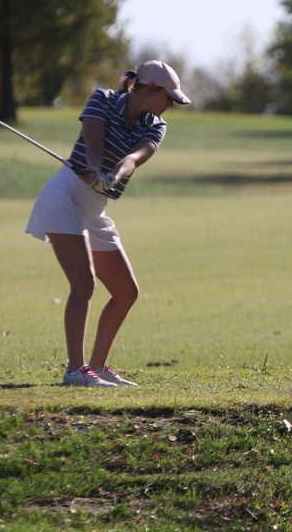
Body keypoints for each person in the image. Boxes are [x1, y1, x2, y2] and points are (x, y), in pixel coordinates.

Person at [25, 60, 191, 387]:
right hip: (65, 197)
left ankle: (97, 367)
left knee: (126, 291)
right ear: (150, 89)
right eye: (168, 97)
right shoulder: (102, 99)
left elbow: (134, 158)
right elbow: (94, 145)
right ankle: (75, 370)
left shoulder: (155, 125)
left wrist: (110, 178)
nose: (170, 105)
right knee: (84, 284)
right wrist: (96, 169)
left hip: (95, 207)